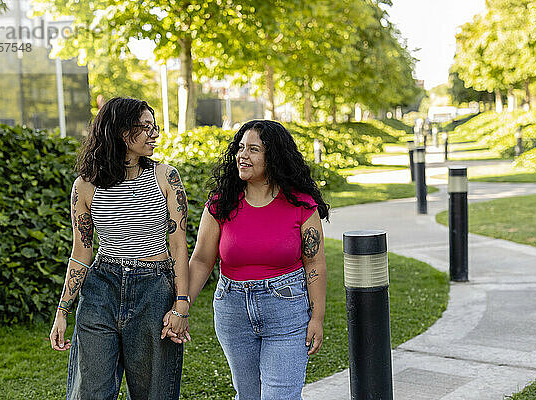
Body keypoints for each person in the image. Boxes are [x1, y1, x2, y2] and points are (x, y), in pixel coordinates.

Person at [48, 97, 191, 400]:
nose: (155, 135)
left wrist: (181, 305)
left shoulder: (166, 177)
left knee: (154, 393)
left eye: (155, 128)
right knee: (90, 392)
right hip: (101, 289)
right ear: (121, 131)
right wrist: (63, 310)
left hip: (154, 290)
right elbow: (82, 251)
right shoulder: (84, 185)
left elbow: (179, 247)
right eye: (146, 128)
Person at [186, 119, 329, 399]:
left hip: (286, 310)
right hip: (233, 310)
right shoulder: (221, 203)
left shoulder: (300, 204)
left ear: (272, 156)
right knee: (248, 395)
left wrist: (318, 318)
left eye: (253, 149)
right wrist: (182, 307)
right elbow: (202, 260)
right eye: (240, 148)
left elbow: (315, 264)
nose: (243, 155)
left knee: (280, 396)